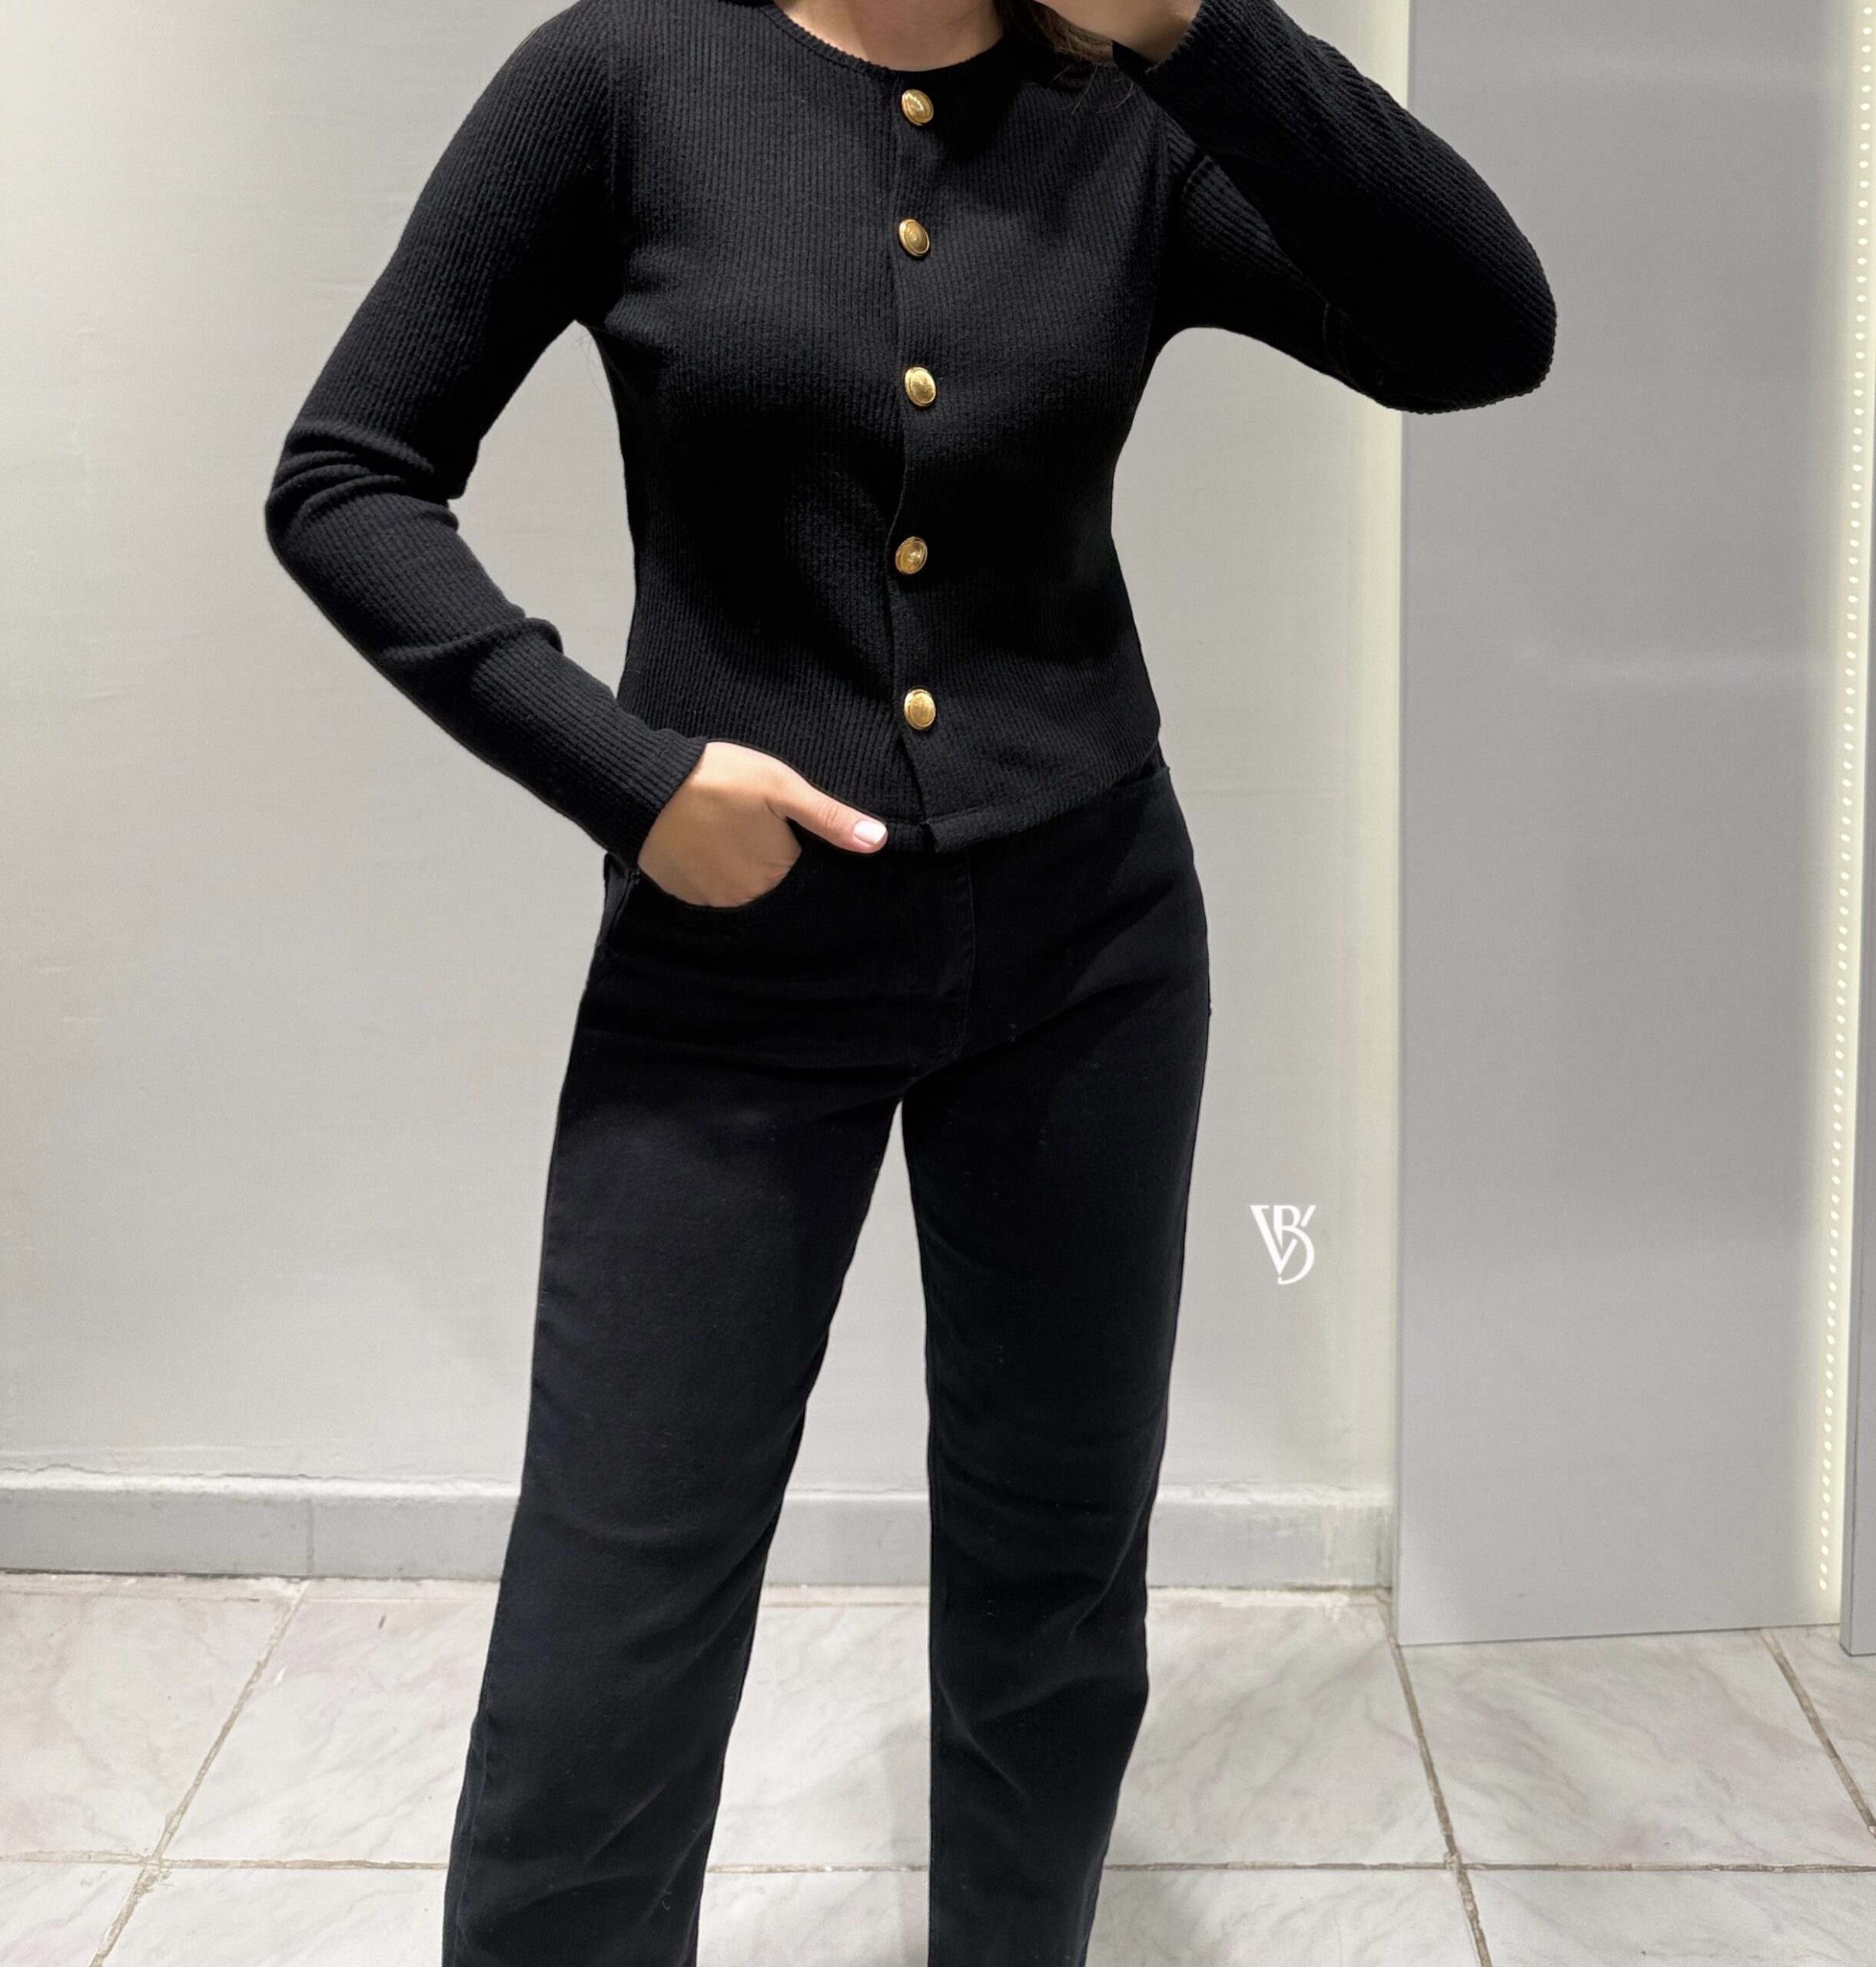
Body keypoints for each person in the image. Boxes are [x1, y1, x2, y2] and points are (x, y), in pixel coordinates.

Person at [263, 0, 1555, 1959]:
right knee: (614, 1622)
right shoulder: (625, 76)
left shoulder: (1123, 107)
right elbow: (349, 471)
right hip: (729, 976)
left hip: (1092, 957)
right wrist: (629, 776)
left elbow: (1483, 330)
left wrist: (1204, 32)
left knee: (1058, 1583)